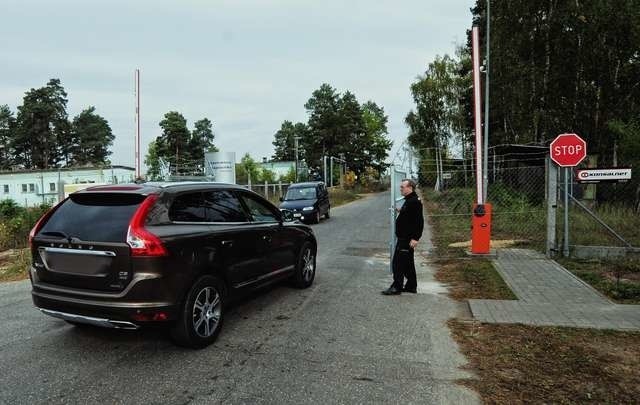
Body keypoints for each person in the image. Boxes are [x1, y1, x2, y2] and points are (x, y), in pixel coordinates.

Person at [382, 178, 424, 295]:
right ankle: (411, 286)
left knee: (398, 263)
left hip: (407, 238)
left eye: (402, 187)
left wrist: (416, 238)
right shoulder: (410, 200)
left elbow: (419, 222)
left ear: (410, 188)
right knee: (408, 263)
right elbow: (409, 214)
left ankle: (397, 287)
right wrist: (401, 210)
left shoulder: (414, 201)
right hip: (405, 237)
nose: (400, 189)